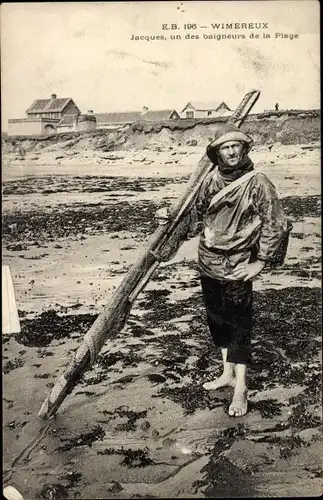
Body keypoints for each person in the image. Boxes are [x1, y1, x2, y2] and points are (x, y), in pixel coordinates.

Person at [156, 123, 291, 417]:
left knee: (239, 324)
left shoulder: (257, 182)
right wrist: (169, 215)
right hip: (208, 260)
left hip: (239, 263)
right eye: (225, 147)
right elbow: (194, 218)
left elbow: (276, 223)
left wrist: (260, 262)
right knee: (217, 320)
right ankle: (227, 373)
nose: (231, 151)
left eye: (236, 146)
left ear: (244, 149)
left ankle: (241, 387)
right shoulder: (209, 181)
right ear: (216, 152)